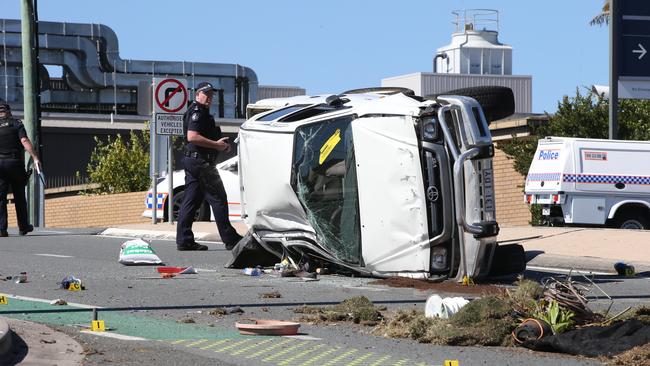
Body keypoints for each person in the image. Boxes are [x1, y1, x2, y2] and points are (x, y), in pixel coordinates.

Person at [176, 82, 243, 251]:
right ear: (197, 94)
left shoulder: (199, 111)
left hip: (194, 161)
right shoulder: (197, 113)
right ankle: (231, 239)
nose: (209, 98)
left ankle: (184, 239)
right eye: (206, 94)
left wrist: (219, 145)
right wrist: (216, 145)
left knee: (191, 199)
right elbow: (192, 137)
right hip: (201, 163)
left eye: (211, 95)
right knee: (218, 198)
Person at [0, 102, 40, 237]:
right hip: (15, 163)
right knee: (19, 196)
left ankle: (1, 229)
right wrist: (35, 157)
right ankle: (23, 227)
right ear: (9, 112)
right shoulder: (16, 123)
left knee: (0, 197)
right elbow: (24, 140)